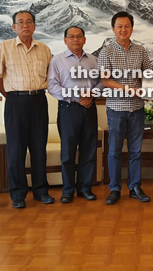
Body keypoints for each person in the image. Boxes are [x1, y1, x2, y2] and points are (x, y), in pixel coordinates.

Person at [0, 10, 54, 209]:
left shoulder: (44, 49)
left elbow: (51, 76)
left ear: (34, 26)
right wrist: (10, 96)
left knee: (38, 148)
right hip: (15, 102)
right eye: (21, 22)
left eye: (29, 22)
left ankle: (41, 191)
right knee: (16, 150)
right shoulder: (4, 47)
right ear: (14, 27)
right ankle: (18, 194)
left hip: (38, 101)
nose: (25, 25)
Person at [98, 12, 153, 205]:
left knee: (135, 151)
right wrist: (127, 89)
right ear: (113, 29)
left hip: (137, 108)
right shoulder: (106, 51)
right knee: (114, 151)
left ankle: (135, 187)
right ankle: (114, 189)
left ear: (132, 28)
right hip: (116, 108)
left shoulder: (140, 50)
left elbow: (149, 73)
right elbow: (106, 80)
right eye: (119, 26)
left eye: (127, 26)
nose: (123, 29)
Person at [47, 26, 102, 203]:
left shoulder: (93, 60)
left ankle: (85, 189)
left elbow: (102, 82)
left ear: (84, 40)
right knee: (68, 152)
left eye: (79, 37)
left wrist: (91, 94)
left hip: (89, 108)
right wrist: (77, 97)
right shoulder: (57, 60)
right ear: (65, 40)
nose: (75, 39)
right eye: (71, 37)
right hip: (68, 109)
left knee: (88, 150)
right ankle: (68, 190)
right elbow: (52, 86)